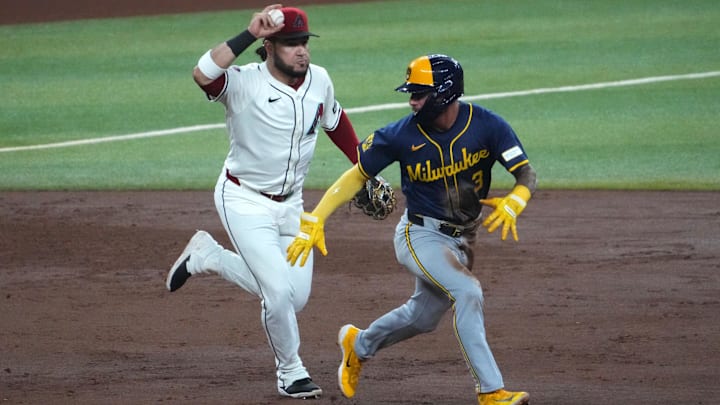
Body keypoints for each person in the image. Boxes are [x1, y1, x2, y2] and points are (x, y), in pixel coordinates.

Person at [286, 54, 536, 405]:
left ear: (445, 94)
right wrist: (318, 216)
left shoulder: (488, 126)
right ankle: (491, 392)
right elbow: (357, 174)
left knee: (423, 316)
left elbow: (525, 172)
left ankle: (358, 346)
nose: (412, 100)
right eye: (412, 93)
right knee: (468, 293)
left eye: (419, 93)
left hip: (465, 238)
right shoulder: (400, 135)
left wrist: (517, 199)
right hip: (419, 234)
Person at [165, 4, 362, 400]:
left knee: (295, 298)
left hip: (293, 206)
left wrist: (364, 164)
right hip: (243, 199)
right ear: (269, 46)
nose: (301, 51)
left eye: (304, 42)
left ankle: (209, 256)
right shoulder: (241, 83)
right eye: (291, 44)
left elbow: (335, 122)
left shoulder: (319, 80)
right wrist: (247, 32)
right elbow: (203, 73)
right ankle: (291, 371)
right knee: (277, 295)